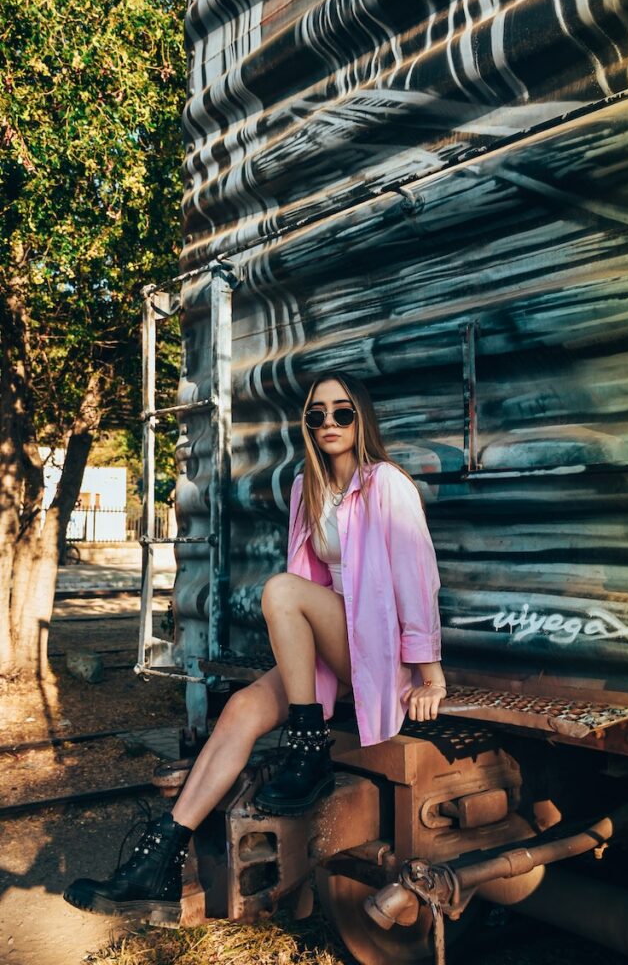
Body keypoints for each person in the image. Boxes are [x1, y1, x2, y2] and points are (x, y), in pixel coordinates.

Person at [63, 370, 447, 924]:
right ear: (307, 425)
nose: (329, 422)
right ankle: (162, 858)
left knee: (281, 590)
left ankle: (307, 741)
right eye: (317, 414)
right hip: (335, 644)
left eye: (342, 411)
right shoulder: (306, 489)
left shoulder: (386, 483)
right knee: (242, 709)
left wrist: (429, 674)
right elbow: (309, 588)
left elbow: (417, 579)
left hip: (379, 646)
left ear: (361, 417)